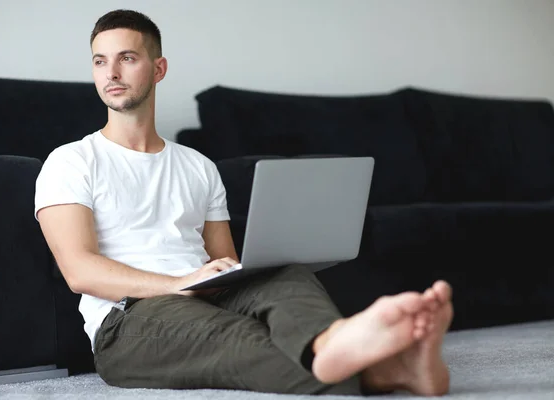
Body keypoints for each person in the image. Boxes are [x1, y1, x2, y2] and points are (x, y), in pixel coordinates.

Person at [35, 9, 453, 396]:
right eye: (99, 61)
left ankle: (331, 344)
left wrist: (223, 277)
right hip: (129, 321)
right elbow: (79, 270)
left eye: (126, 58)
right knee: (243, 340)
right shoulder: (71, 161)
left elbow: (228, 264)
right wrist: (175, 285)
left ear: (159, 69)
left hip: (204, 294)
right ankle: (382, 364)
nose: (111, 72)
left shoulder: (199, 167)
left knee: (286, 274)